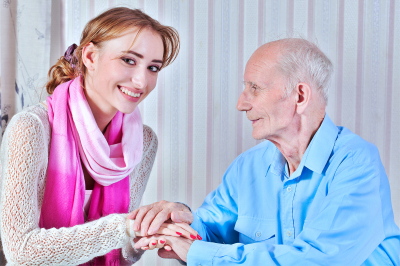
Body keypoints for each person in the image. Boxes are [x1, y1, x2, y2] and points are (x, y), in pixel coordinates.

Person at [130, 38, 400, 265]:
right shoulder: (248, 166)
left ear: (300, 96)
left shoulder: (356, 162)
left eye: (254, 88)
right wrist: (178, 221)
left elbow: (319, 259)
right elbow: (209, 232)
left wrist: (199, 254)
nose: (241, 103)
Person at [0, 7, 198, 265]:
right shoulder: (31, 129)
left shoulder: (144, 141)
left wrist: (157, 226)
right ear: (91, 57)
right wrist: (125, 227)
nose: (141, 81)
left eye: (153, 67)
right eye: (129, 60)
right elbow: (20, 250)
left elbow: (123, 254)